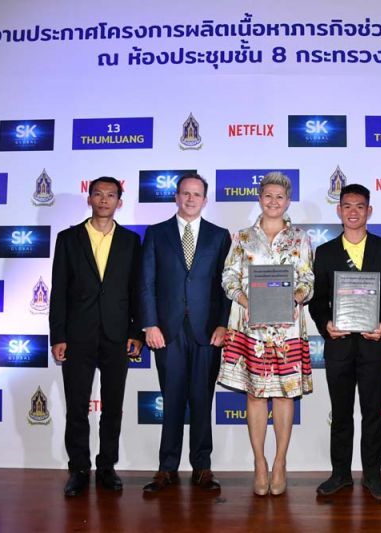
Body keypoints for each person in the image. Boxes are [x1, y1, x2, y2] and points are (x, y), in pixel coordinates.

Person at [309, 184, 381, 502]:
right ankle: (340, 474)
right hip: (338, 346)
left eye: (360, 206)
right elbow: (317, 300)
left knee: (372, 413)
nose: (353, 212)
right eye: (347, 206)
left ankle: (373, 475)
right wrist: (325, 324)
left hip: (373, 345)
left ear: (369, 211)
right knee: (340, 414)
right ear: (339, 210)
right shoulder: (325, 252)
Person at [218, 172, 314, 496]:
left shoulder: (300, 238)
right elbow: (228, 277)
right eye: (268, 195)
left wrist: (295, 298)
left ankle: (280, 462)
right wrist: (248, 301)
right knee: (256, 395)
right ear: (260, 198)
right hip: (251, 328)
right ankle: (259, 462)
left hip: (287, 329)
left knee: (285, 394)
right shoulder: (243, 237)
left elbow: (308, 280)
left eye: (280, 197)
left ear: (288, 202)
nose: (274, 201)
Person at [49, 176, 142, 497]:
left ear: (119, 202)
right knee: (77, 407)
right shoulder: (68, 239)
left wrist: (136, 332)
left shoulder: (131, 241)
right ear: (89, 199)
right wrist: (58, 335)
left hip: (117, 335)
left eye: (111, 195)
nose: (104, 200)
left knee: (113, 407)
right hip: (77, 335)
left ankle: (106, 467)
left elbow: (136, 291)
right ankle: (78, 468)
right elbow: (58, 291)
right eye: (98, 194)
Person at [139, 173, 232, 492]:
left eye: (197, 194)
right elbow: (146, 282)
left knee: (203, 399)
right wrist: (150, 324)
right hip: (167, 331)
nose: (191, 199)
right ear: (176, 197)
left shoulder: (219, 236)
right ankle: (167, 468)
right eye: (185, 193)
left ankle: (202, 467)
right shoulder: (156, 233)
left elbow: (226, 285)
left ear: (205, 200)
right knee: (172, 399)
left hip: (207, 332)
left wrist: (223, 323)